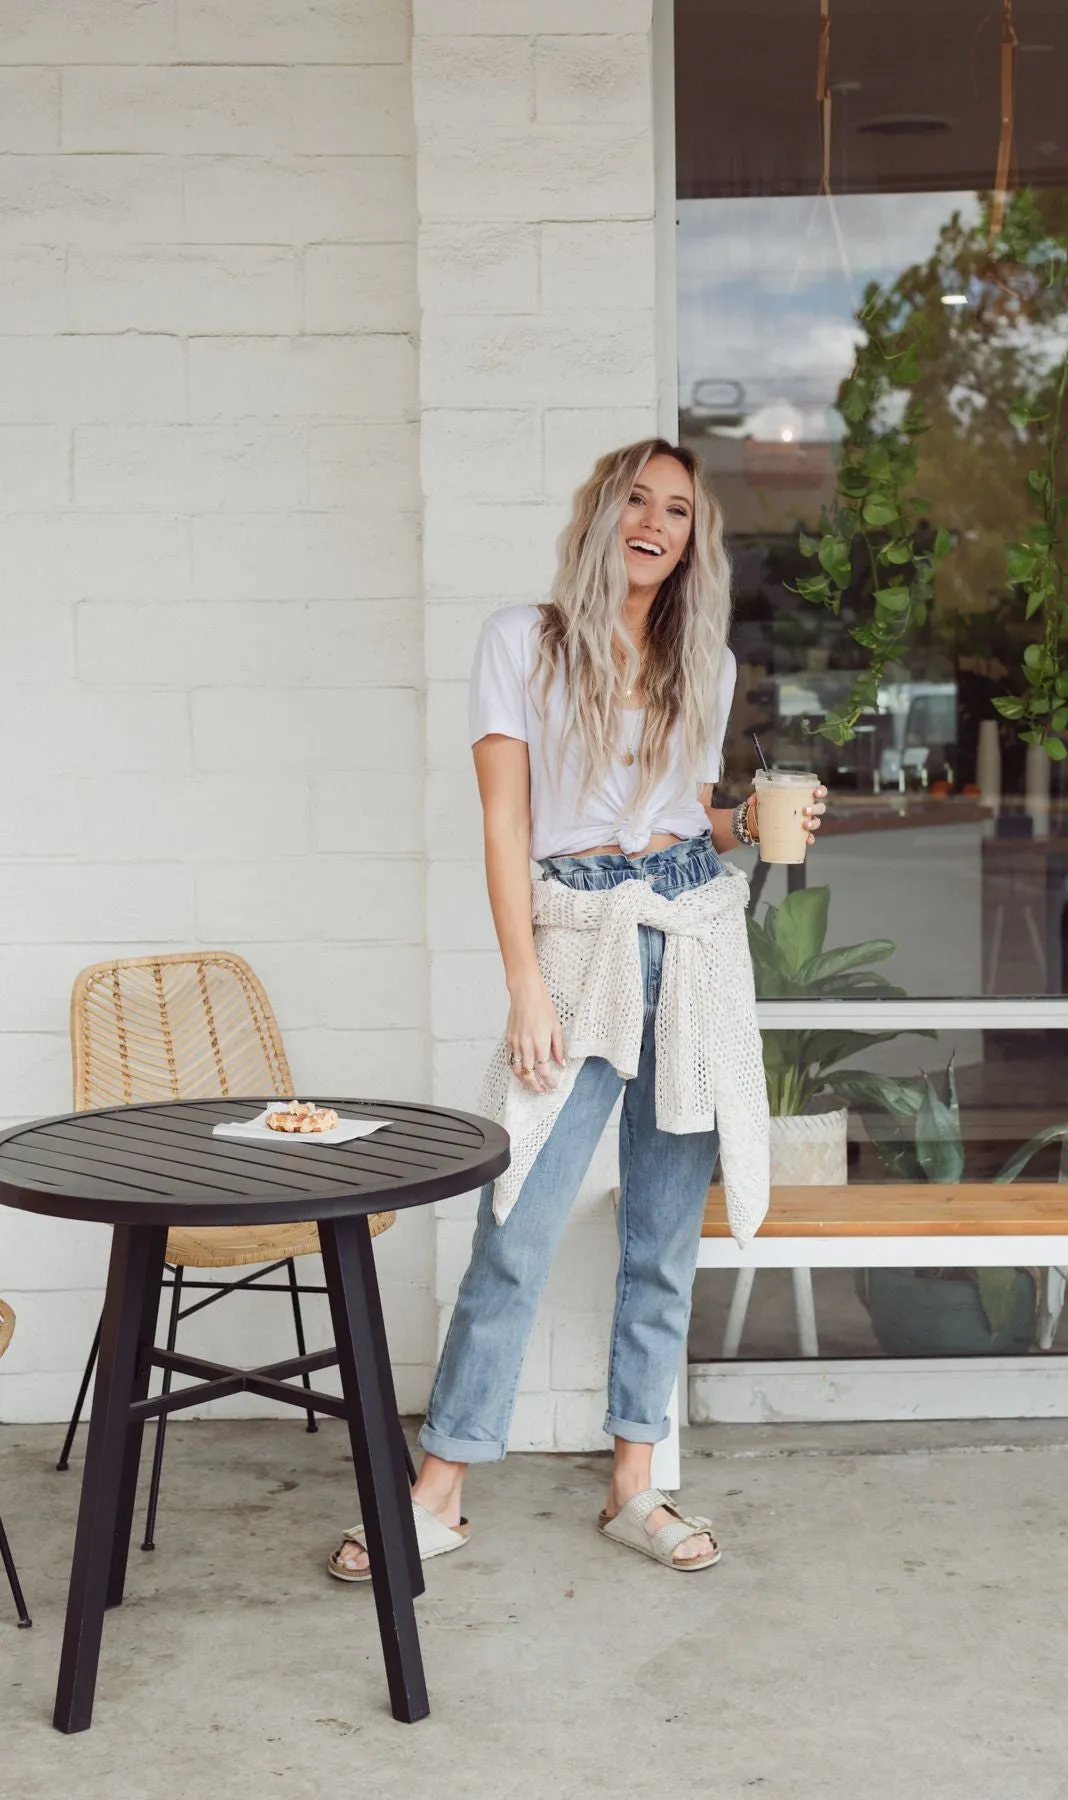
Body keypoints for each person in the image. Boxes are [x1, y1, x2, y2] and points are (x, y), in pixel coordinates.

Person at [328, 438, 826, 1578]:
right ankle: (438, 1492)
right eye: (638, 501)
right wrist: (523, 986)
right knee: (519, 1226)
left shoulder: (704, 662)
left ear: (695, 538)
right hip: (582, 943)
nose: (656, 522)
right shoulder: (523, 643)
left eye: (680, 511)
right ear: (602, 515)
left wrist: (749, 825)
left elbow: (689, 817)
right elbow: (506, 827)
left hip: (690, 939)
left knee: (661, 1240)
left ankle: (637, 1486)